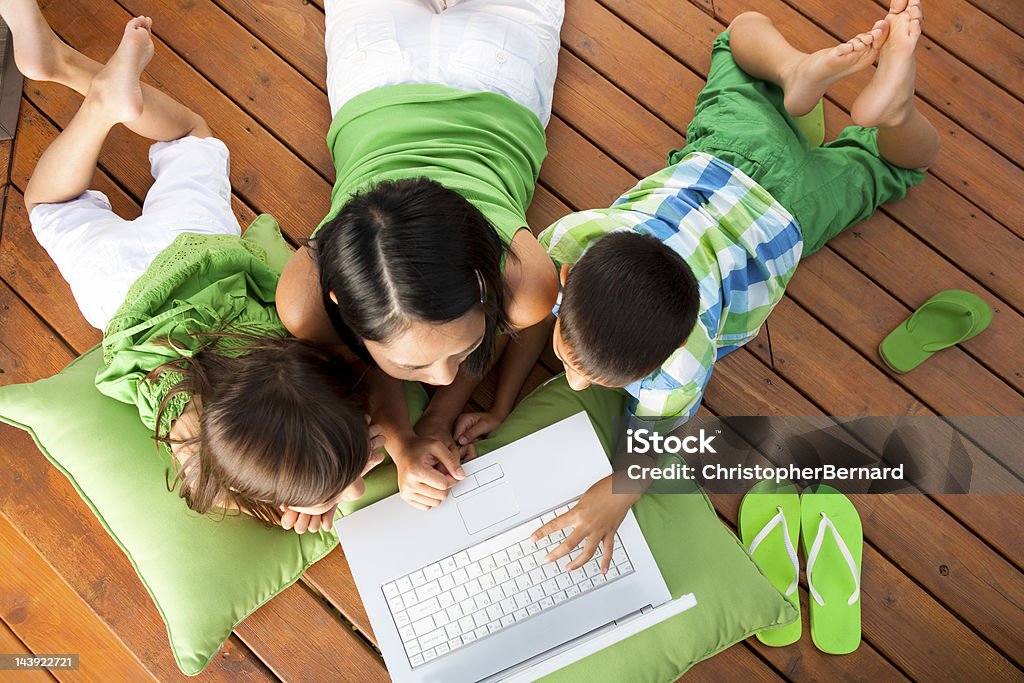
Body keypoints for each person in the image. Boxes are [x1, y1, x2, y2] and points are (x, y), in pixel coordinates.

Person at [530, 2, 938, 569]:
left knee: (896, 170)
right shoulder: (579, 237)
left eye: (586, 373)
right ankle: (819, 81)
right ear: (570, 275)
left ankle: (884, 110)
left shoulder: (673, 348)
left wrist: (620, 492)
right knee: (740, 34)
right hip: (726, 158)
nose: (575, 383)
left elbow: (657, 440)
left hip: (788, 210)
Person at [4, 2, 383, 533]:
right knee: (48, 205)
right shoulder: (188, 429)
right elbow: (208, 491)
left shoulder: (300, 360)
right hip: (116, 288)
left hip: (195, 248)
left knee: (191, 135)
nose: (357, 488)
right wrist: (295, 499)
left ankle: (94, 88)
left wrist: (335, 463)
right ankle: (74, 81)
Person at [275, 0, 563, 512]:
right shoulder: (307, 298)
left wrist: (420, 429)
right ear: (343, 303)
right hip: (470, 72)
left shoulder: (523, 287)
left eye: (457, 351)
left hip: (468, 69)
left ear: (484, 283)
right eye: (416, 364)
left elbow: (516, 325)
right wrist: (404, 437)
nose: (446, 378)